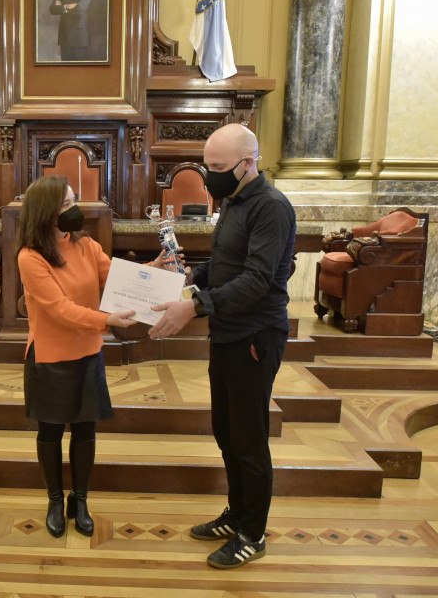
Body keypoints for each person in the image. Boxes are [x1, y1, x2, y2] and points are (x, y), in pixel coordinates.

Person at [149, 123, 296, 569]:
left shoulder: (271, 208)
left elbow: (258, 279)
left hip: (255, 336)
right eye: (207, 166)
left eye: (217, 168)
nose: (210, 177)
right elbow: (230, 263)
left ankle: (253, 533)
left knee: (249, 439)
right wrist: (194, 277)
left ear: (248, 163)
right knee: (226, 431)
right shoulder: (234, 200)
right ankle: (237, 513)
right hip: (228, 333)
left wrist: (195, 307)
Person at [17, 175, 173, 538]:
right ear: (46, 213)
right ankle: (55, 500)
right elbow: (59, 310)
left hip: (87, 351)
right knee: (51, 432)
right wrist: (107, 320)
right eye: (68, 205)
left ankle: (80, 499)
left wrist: (156, 269)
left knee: (85, 431)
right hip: (51, 355)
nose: (77, 210)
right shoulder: (30, 256)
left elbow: (119, 278)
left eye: (75, 201)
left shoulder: (86, 246)